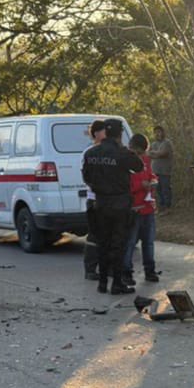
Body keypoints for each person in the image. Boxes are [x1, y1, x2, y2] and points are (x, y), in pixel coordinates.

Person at [83, 120, 145, 295]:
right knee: (118, 245)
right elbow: (139, 166)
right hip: (119, 205)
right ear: (120, 134)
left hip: (100, 203)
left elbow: (86, 177)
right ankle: (117, 283)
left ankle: (102, 283)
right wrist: (125, 149)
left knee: (103, 243)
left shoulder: (91, 153)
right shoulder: (122, 153)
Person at [124, 134, 161, 284]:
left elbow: (151, 175)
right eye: (138, 152)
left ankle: (150, 271)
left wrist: (153, 181)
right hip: (133, 208)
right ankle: (126, 273)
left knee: (149, 242)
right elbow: (125, 185)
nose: (141, 156)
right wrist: (141, 185)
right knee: (130, 242)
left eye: (143, 152)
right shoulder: (125, 161)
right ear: (131, 148)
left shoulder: (146, 159)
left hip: (147, 206)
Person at [83, 119, 107, 281]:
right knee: (94, 237)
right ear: (97, 133)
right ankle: (90, 269)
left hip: (109, 200)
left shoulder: (110, 151)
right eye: (105, 131)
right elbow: (87, 177)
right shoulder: (89, 153)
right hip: (95, 200)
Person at [149, 126, 176, 210]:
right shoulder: (153, 144)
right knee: (158, 189)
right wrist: (156, 153)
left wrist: (154, 153)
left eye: (159, 132)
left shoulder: (167, 143)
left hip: (165, 171)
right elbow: (148, 154)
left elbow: (163, 153)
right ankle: (161, 207)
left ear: (163, 132)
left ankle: (167, 207)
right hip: (155, 171)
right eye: (155, 132)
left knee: (165, 189)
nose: (157, 134)